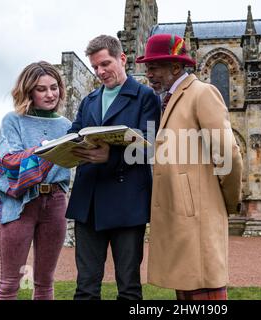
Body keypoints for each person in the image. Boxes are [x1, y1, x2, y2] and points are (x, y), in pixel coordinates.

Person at [136, 34, 243, 300]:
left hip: (198, 218)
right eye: (147, 67)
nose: (149, 74)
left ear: (176, 67)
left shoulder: (202, 93)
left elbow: (228, 154)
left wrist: (226, 202)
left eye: (154, 67)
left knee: (205, 291)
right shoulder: (170, 99)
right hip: (180, 218)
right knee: (186, 291)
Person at [66, 35, 161, 300]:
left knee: (129, 287)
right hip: (89, 201)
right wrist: (63, 146)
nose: (100, 72)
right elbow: (75, 132)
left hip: (127, 199)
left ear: (122, 58)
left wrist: (111, 155)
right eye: (95, 67)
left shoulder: (146, 97)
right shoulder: (89, 100)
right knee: (85, 287)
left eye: (105, 64)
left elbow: (151, 145)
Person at [0, 61, 72, 300]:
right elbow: (10, 160)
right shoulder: (13, 120)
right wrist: (45, 150)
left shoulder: (67, 126)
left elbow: (70, 161)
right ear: (29, 91)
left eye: (54, 87)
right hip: (20, 203)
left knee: (45, 284)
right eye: (41, 89)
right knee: (9, 284)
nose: (50, 94)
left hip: (56, 201)